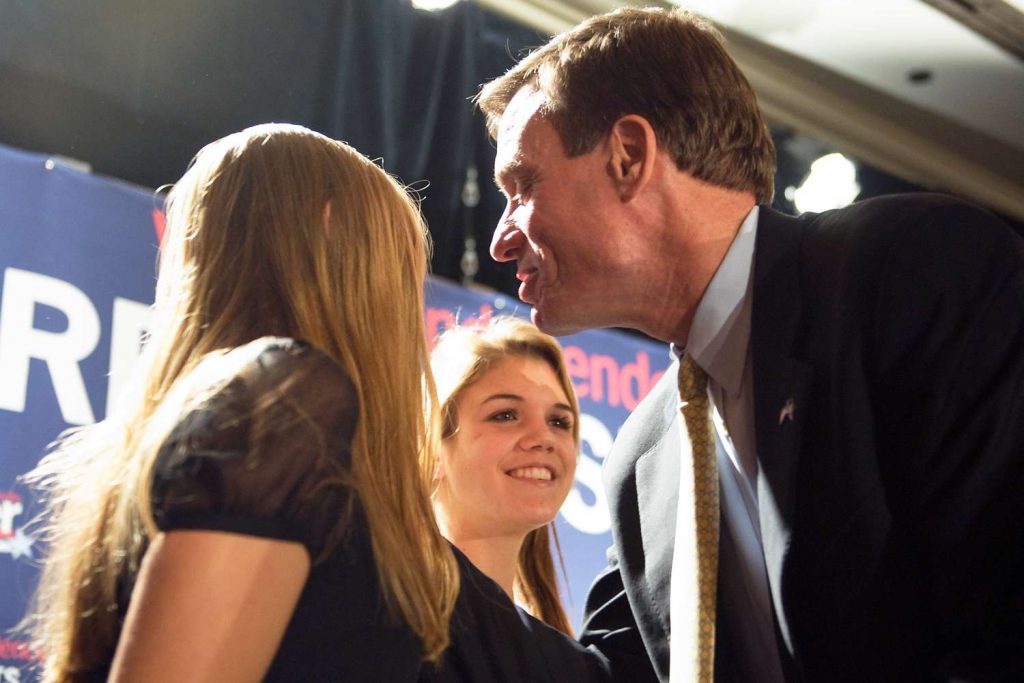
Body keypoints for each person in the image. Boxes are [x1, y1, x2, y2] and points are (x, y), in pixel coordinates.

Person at [476, 7, 1024, 682]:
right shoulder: (638, 461)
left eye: (522, 187)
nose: (501, 239)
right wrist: (406, 561)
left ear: (628, 156)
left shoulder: (911, 271)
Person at [21, 124, 607, 682]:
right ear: (331, 233)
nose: (410, 306)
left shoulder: (230, 422)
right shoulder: (287, 403)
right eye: (402, 265)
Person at [430, 316, 578, 635]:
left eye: (559, 422)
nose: (544, 438)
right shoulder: (381, 614)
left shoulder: (560, 653)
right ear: (433, 449)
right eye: (506, 415)